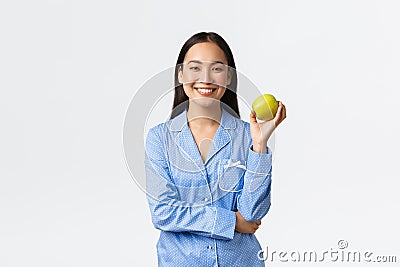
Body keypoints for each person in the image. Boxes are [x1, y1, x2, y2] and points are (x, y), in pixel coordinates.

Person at [144, 32, 286, 266]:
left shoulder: (246, 136)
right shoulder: (159, 139)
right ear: (181, 74)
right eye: (195, 68)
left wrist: (259, 145)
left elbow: (252, 215)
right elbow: (163, 212)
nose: (206, 78)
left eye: (217, 68)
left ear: (229, 76)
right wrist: (230, 222)